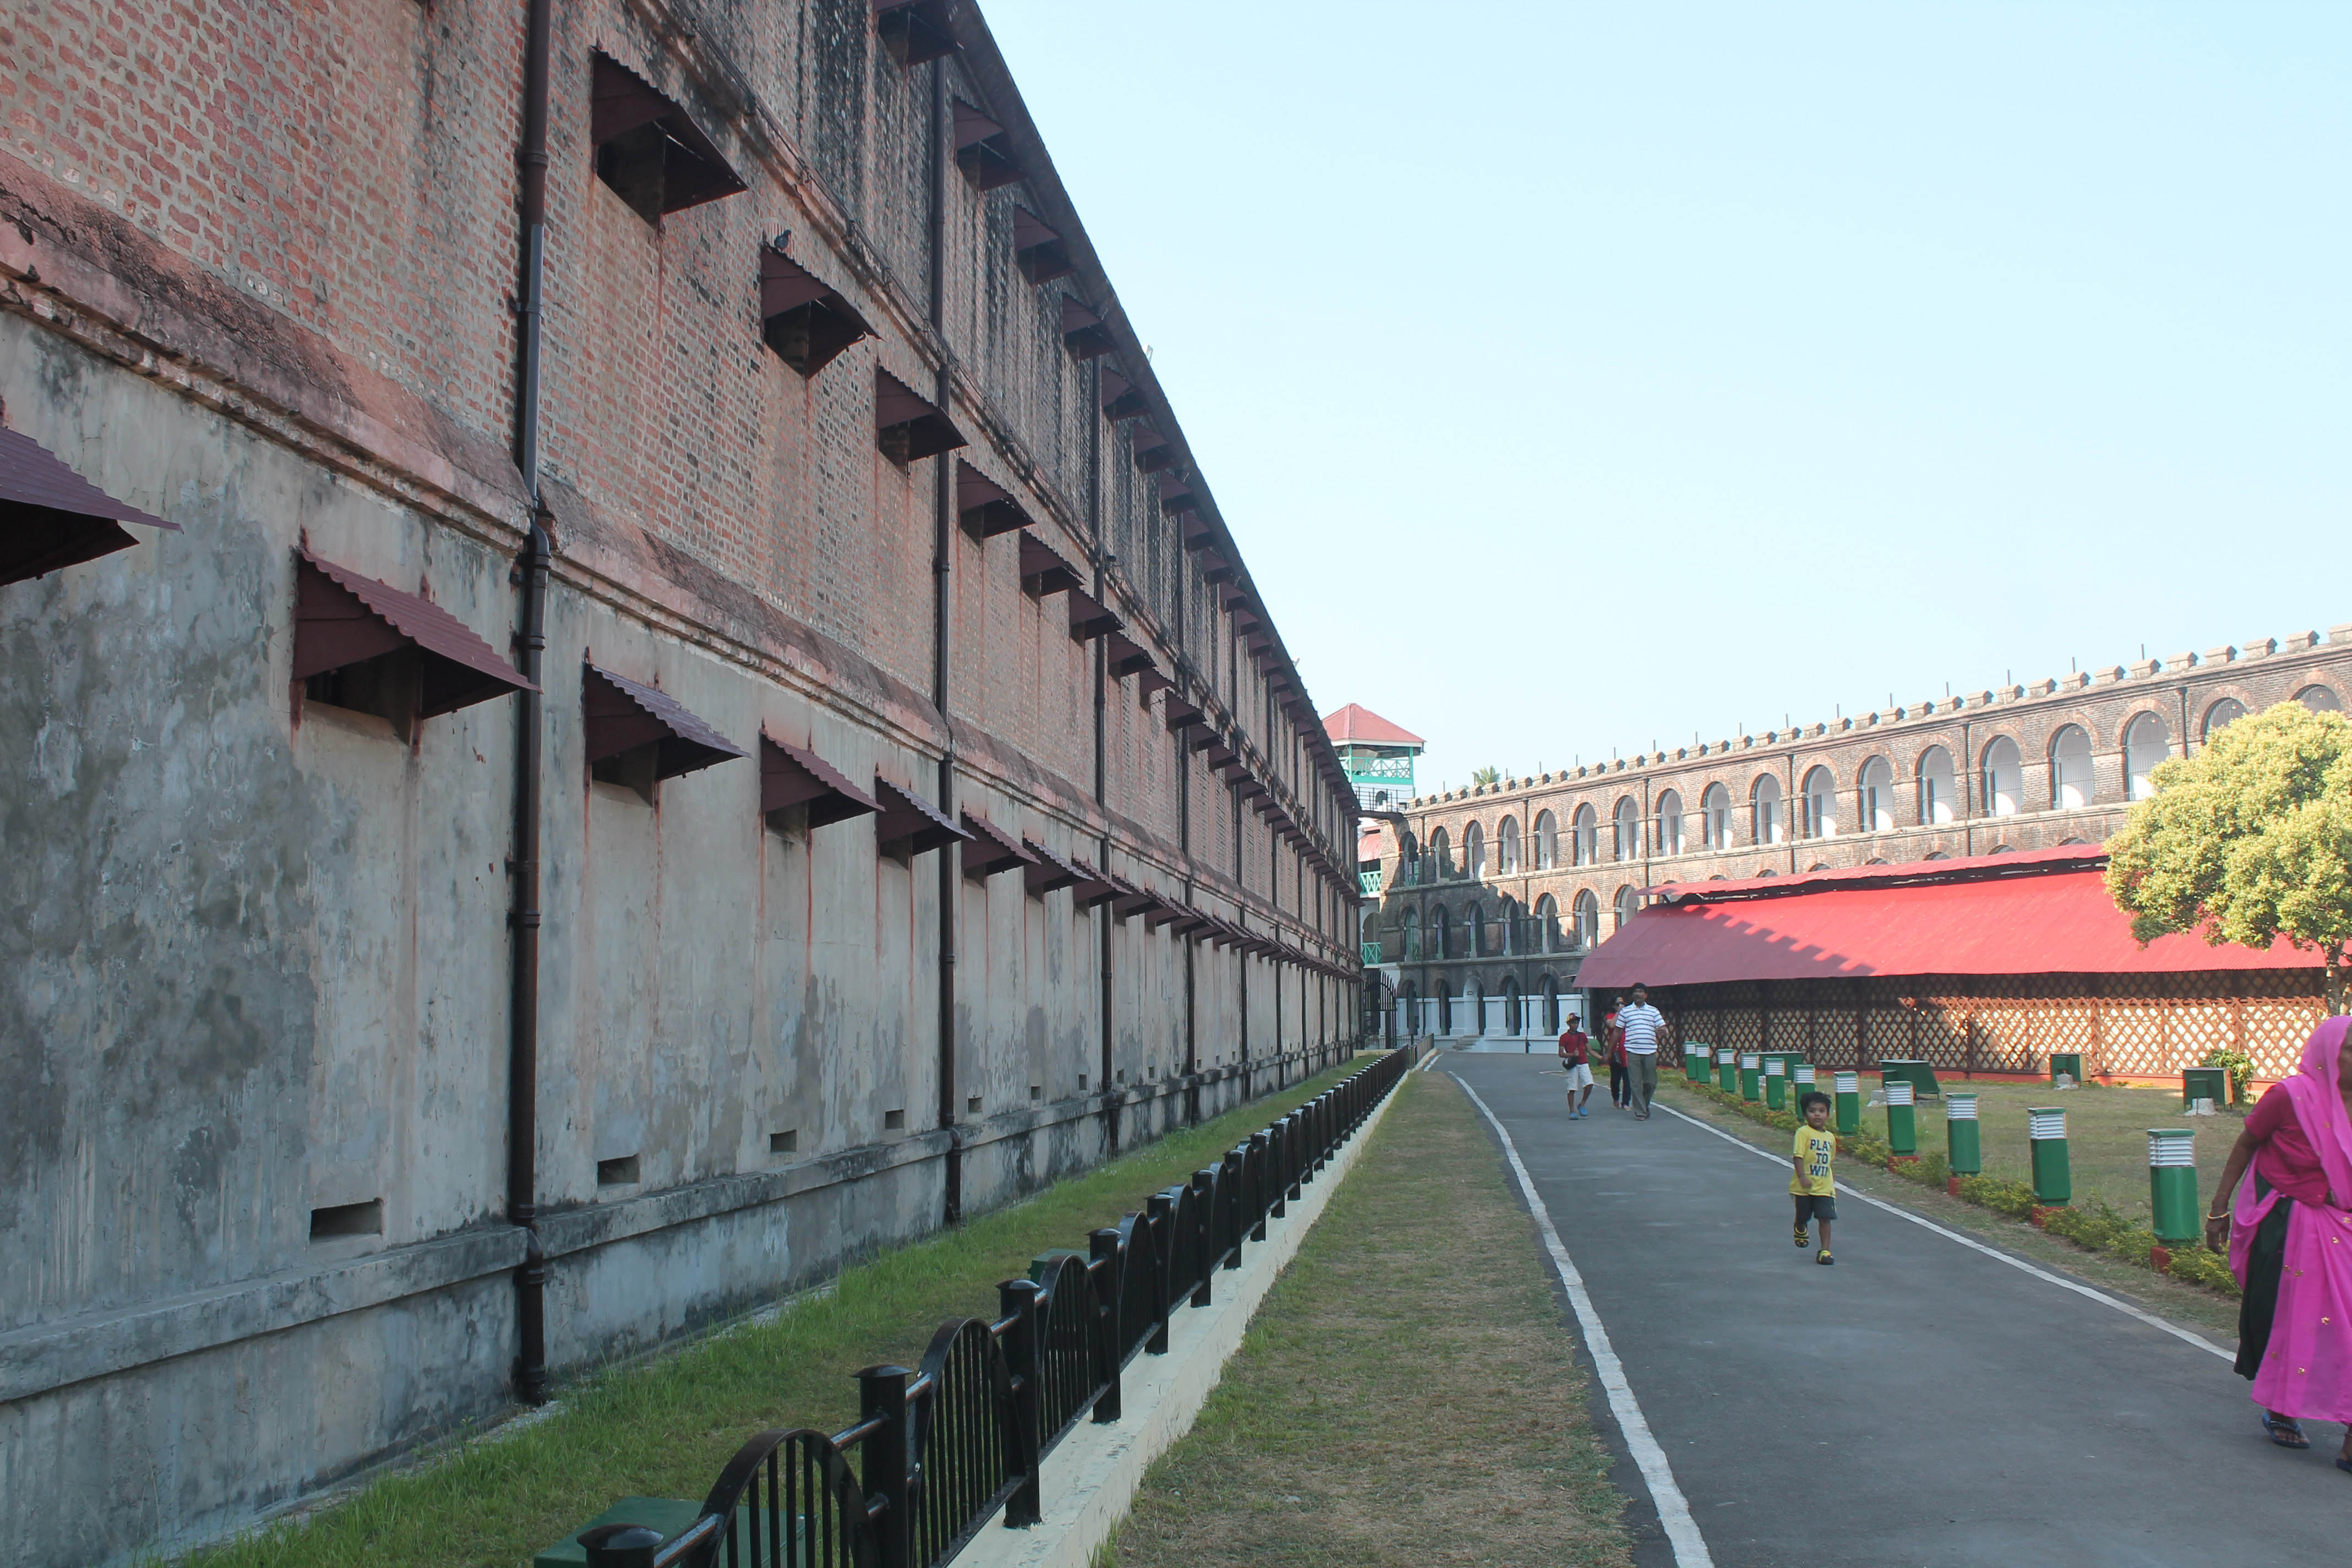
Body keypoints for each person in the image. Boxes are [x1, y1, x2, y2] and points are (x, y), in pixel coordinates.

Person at [2207, 1015, 2352, 1468]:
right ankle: (2284, 1406)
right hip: (2294, 1227)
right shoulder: (2291, 1096)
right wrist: (2219, 1208)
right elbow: (2246, 1144)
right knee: (2297, 1318)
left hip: (2346, 1227)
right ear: (2329, 1053)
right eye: (2351, 1048)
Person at [1791, 1091, 1837, 1265]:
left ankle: (1825, 1251)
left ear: (1828, 1114)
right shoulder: (1803, 1133)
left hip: (1824, 1187)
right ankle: (1800, 1226)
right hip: (1804, 1186)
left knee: (1825, 1217)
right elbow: (1798, 1156)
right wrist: (1802, 1176)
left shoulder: (1830, 1137)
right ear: (1805, 1114)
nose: (1817, 1114)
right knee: (1803, 1215)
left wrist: (1831, 1182)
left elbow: (1830, 1160)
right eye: (1812, 1111)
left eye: (1822, 1110)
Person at [1616, 982, 1668, 1119]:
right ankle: (1640, 1112)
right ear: (1633, 995)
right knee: (1635, 1083)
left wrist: (1663, 1031)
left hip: (1650, 1051)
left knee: (1651, 1082)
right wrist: (1610, 1050)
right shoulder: (1626, 1011)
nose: (1638, 994)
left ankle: (1644, 1105)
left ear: (1646, 995)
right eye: (1635, 992)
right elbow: (1618, 1030)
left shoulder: (1653, 1011)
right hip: (1633, 1051)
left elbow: (1663, 1027)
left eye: (1641, 992)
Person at [1558, 1013, 1594, 1118]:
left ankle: (1582, 1104)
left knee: (1589, 1084)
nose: (1576, 1025)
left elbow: (1590, 1050)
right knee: (1572, 1088)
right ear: (1569, 1024)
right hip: (1572, 1063)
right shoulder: (1564, 1037)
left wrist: (1601, 1058)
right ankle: (1572, 1111)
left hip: (1583, 1062)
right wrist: (1572, 1055)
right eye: (1574, 1023)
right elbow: (1560, 1053)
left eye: (1577, 1022)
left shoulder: (1582, 1036)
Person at [1603, 1007, 1630, 1109]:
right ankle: (1616, 1098)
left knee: (1628, 1079)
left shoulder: (1629, 1016)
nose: (1621, 1005)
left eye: (1622, 1003)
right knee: (1615, 1079)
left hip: (1627, 1051)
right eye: (1618, 1003)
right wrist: (1619, 1012)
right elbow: (1611, 1025)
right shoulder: (1611, 1016)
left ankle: (1626, 1102)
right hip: (1615, 1051)